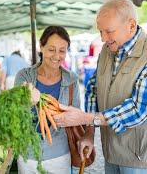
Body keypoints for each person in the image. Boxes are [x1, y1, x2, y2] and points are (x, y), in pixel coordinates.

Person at [53, 0, 147, 174]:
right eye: (100, 31)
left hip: (141, 160)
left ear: (131, 25)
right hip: (112, 153)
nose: (103, 38)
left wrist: (84, 118)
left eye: (108, 31)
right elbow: (94, 89)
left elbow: (138, 109)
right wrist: (89, 133)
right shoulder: (107, 50)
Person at [14, 26, 93, 174]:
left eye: (62, 50)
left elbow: (76, 116)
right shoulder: (24, 76)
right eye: (51, 49)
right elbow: (16, 115)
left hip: (59, 156)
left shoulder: (71, 79)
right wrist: (27, 103)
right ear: (41, 47)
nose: (57, 56)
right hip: (28, 156)